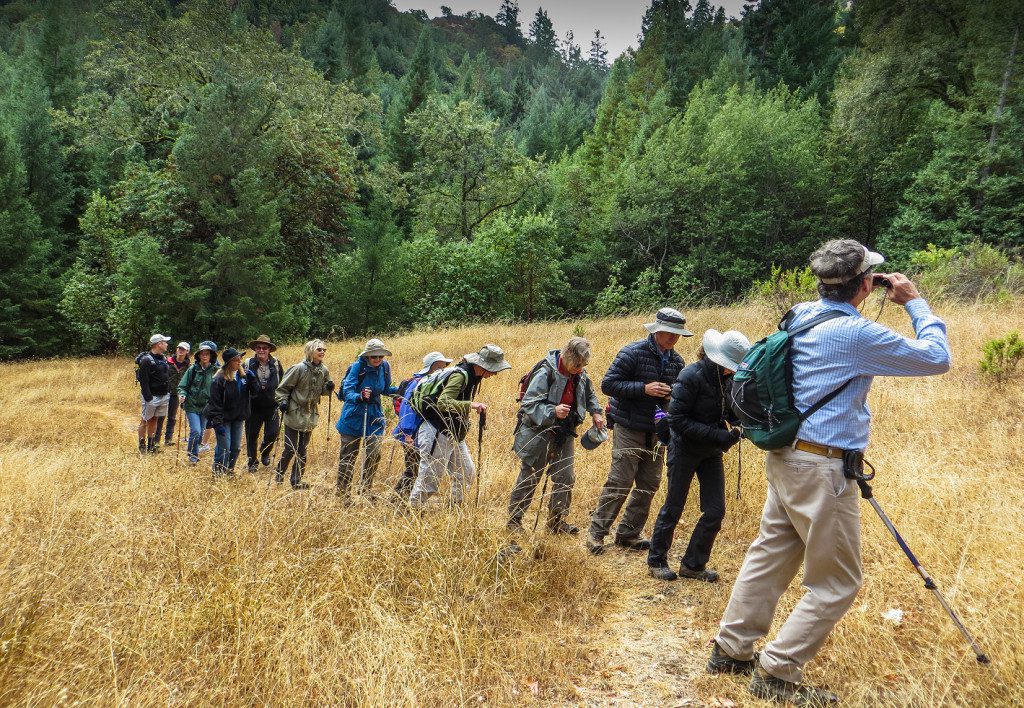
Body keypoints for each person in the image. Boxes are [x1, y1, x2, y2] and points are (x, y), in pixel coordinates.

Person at [708, 240, 951, 706]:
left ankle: (730, 650)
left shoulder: (800, 313)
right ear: (865, 284)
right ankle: (777, 672)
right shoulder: (856, 335)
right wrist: (914, 303)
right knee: (838, 581)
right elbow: (936, 358)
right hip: (823, 467)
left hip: (785, 455)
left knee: (770, 556)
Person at [647, 329, 750, 582]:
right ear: (718, 359)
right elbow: (678, 421)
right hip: (684, 450)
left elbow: (729, 411)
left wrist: (744, 423)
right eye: (730, 365)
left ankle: (693, 565)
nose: (733, 370)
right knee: (673, 507)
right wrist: (721, 437)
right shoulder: (690, 376)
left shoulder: (725, 379)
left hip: (711, 452)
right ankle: (656, 560)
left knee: (715, 510)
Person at [586, 308, 689, 554]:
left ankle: (629, 533)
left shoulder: (677, 361)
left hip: (657, 431)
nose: (673, 338)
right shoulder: (632, 352)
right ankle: (596, 534)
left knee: (649, 483)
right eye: (670, 333)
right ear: (657, 331)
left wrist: (671, 394)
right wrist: (644, 388)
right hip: (629, 425)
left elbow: (677, 393)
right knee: (620, 480)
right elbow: (608, 384)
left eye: (677, 334)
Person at [508, 337, 605, 534]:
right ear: (567, 356)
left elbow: (589, 393)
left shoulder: (579, 373)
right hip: (539, 431)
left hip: (565, 432)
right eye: (577, 364)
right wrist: (552, 411)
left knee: (566, 477)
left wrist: (596, 412)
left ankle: (556, 522)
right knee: (530, 476)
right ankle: (514, 522)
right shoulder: (546, 372)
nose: (580, 369)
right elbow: (528, 404)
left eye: (583, 365)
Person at [408, 344, 511, 510]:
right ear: (482, 365)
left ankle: (454, 509)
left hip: (453, 432)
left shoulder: (472, 376)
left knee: (465, 472)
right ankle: (412, 511)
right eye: (494, 368)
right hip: (437, 430)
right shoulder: (461, 376)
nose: (496, 373)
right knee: (430, 478)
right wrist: (471, 405)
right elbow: (443, 402)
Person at [335, 339, 400, 500]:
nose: (377, 359)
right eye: (373, 356)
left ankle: (365, 490)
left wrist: (402, 389)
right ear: (367, 356)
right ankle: (343, 494)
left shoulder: (385, 367)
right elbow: (348, 390)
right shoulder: (358, 367)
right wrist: (360, 396)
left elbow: (385, 389)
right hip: (354, 414)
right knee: (348, 456)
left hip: (374, 416)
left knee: (374, 453)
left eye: (380, 356)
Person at [275, 339, 335, 490]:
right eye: (319, 349)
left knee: (302, 450)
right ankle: (279, 473)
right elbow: (282, 389)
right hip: (294, 412)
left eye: (324, 350)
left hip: (310, 415)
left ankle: (296, 481)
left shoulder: (324, 370)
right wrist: (282, 402)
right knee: (290, 448)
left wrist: (329, 387)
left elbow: (324, 392)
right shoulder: (298, 369)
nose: (322, 352)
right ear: (310, 351)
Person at [392, 351, 453, 500]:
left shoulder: (431, 381)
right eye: (441, 366)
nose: (444, 369)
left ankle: (403, 500)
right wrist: (407, 434)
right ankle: (398, 500)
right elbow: (407, 410)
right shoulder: (419, 382)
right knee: (413, 469)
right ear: (433, 366)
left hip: (419, 433)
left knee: (418, 469)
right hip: (411, 434)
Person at [205, 347, 253, 476]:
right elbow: (214, 403)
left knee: (236, 448)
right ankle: (218, 472)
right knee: (224, 447)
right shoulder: (219, 380)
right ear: (228, 363)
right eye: (236, 360)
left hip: (238, 417)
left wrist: (253, 380)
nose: (240, 362)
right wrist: (217, 423)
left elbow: (255, 392)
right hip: (223, 419)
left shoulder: (243, 377)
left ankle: (229, 471)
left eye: (240, 359)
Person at [244, 335, 285, 472]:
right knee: (251, 435)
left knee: (273, 433)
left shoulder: (276, 363)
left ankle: (265, 452)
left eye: (264, 348)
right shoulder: (248, 363)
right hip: (252, 406)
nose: (261, 350)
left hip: (271, 405)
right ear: (255, 349)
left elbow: (283, 383)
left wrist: (283, 400)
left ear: (269, 350)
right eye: (258, 347)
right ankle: (252, 462)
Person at [177, 341, 219, 464]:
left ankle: (193, 452)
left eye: (207, 354)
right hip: (191, 405)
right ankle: (192, 455)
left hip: (206, 407)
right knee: (195, 431)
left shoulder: (216, 371)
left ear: (211, 356)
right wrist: (182, 394)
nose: (204, 356)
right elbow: (182, 386)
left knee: (200, 434)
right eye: (202, 354)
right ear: (199, 356)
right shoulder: (192, 369)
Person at [136, 334, 172, 455]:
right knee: (145, 420)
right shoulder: (147, 360)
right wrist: (148, 398)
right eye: (165, 342)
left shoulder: (163, 358)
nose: (167, 344)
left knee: (155, 420)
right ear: (159, 344)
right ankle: (142, 445)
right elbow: (144, 381)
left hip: (163, 395)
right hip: (152, 397)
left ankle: (151, 445)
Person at [156, 342, 191, 448]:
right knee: (161, 416)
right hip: (164, 392)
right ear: (176, 349)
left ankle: (168, 439)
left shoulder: (188, 366)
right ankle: (156, 440)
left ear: (187, 351)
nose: (180, 350)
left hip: (176, 394)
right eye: (179, 348)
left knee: (172, 417)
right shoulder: (167, 361)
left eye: (183, 349)